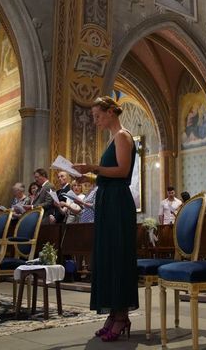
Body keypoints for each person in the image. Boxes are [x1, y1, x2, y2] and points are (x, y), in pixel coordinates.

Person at [73, 96, 137, 341]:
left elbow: (121, 171)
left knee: (117, 255)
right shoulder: (113, 137)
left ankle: (121, 317)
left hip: (118, 202)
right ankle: (113, 313)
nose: (95, 120)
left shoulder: (122, 135)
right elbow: (109, 176)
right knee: (108, 256)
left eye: (98, 115)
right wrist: (88, 179)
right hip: (108, 199)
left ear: (111, 112)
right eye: (94, 116)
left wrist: (92, 167)